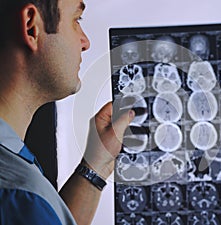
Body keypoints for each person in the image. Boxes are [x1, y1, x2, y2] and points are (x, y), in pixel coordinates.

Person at [0, 0, 134, 224]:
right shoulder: (20, 196)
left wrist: (96, 165)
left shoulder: (18, 183)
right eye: (76, 20)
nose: (85, 42)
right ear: (31, 26)